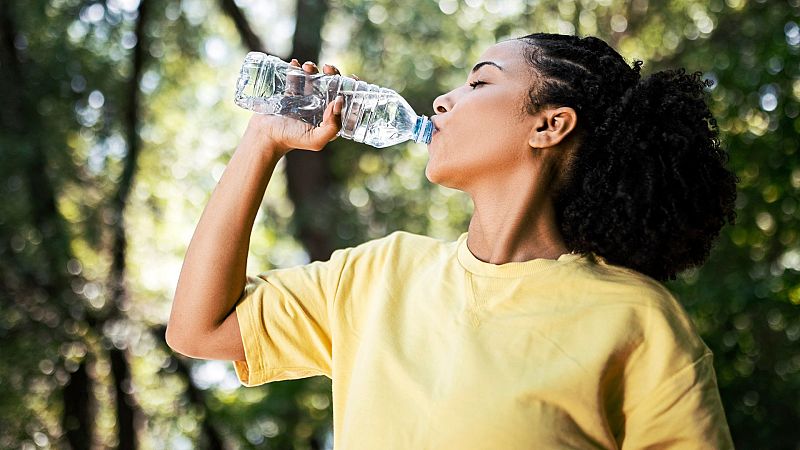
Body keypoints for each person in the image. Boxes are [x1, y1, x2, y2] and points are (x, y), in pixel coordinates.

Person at [167, 33, 738, 449]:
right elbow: (198, 329)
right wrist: (262, 140)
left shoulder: (635, 319)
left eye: (480, 81)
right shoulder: (377, 274)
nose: (444, 100)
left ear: (549, 125)